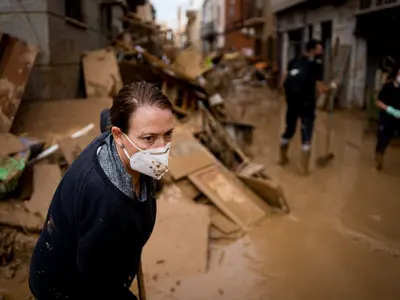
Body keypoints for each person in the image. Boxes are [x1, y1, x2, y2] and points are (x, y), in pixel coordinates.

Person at [29, 81, 174, 299]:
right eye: (149, 138)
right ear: (118, 135)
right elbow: (98, 284)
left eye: (168, 134)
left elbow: (106, 115)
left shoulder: (127, 145)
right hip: (66, 287)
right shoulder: (105, 201)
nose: (161, 148)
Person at [279, 39, 329, 174]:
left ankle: (282, 159)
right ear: (313, 50)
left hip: (292, 103)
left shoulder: (294, 61)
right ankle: (303, 169)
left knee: (289, 130)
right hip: (307, 104)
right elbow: (321, 88)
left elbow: (282, 82)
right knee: (306, 134)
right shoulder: (316, 65)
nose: (322, 51)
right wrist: (331, 87)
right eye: (319, 49)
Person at [375, 67, 400, 170]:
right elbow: (378, 102)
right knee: (383, 135)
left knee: (390, 135)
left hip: (398, 117)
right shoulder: (387, 87)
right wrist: (389, 109)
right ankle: (379, 153)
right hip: (386, 115)